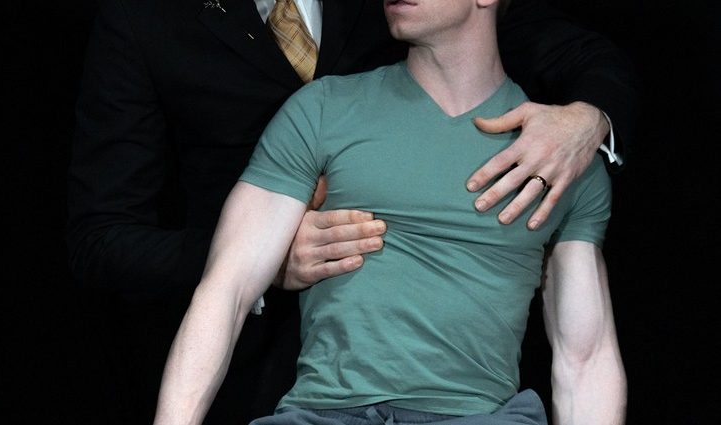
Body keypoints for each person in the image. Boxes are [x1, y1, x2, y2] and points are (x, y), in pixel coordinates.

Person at [67, 0, 635, 422]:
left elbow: (585, 356)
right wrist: (273, 258)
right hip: (307, 397)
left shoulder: (558, 158)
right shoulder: (319, 108)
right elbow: (223, 286)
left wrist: (589, 122)